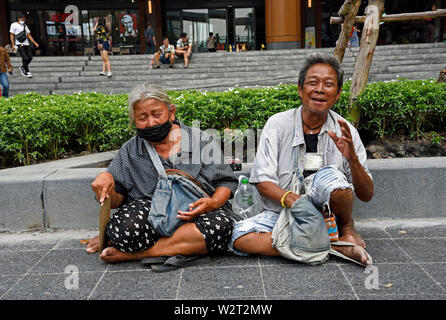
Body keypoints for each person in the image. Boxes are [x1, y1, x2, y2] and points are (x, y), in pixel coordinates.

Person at [229, 53, 374, 266]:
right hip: (284, 212)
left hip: (327, 217)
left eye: (329, 84)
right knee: (239, 236)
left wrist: (352, 159)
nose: (320, 89)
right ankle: (332, 246)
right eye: (313, 82)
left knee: (334, 181)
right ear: (300, 89)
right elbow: (262, 181)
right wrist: (294, 202)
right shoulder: (277, 125)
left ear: (338, 93)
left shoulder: (345, 130)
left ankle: (345, 229)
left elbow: (366, 194)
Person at [85, 86, 238, 264]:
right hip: (153, 216)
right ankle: (183, 244)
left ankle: (140, 254)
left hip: (198, 213)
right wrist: (107, 183)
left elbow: (225, 182)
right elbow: (117, 200)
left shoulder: (199, 140)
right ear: (134, 121)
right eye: (142, 118)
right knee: (123, 229)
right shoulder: (131, 150)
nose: (151, 123)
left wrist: (212, 203)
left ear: (171, 112)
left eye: (157, 115)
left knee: (221, 227)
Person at [9, 13, 39, 78]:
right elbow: (11, 35)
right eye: (22, 19)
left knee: (30, 57)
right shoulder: (14, 25)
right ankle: (26, 71)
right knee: (24, 57)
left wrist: (34, 42)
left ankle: (23, 67)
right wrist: (13, 44)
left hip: (26, 44)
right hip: (19, 44)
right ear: (19, 18)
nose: (23, 20)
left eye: (24, 19)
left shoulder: (25, 26)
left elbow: (28, 35)